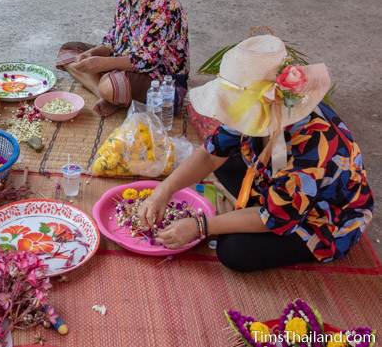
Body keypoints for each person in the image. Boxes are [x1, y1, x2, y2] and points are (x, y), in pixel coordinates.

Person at [139, 35, 374, 272]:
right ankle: (246, 209)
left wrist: (201, 226)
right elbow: (212, 153)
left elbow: (274, 215)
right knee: (225, 164)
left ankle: (249, 216)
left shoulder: (315, 146)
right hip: (280, 185)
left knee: (233, 250)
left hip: (323, 219)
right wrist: (164, 190)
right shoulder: (262, 110)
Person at [57, 0, 189, 117]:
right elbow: (114, 38)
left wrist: (103, 64)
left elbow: (148, 60)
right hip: (128, 63)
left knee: (111, 84)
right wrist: (94, 53)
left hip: (163, 80)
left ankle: (111, 93)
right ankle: (105, 95)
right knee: (69, 51)